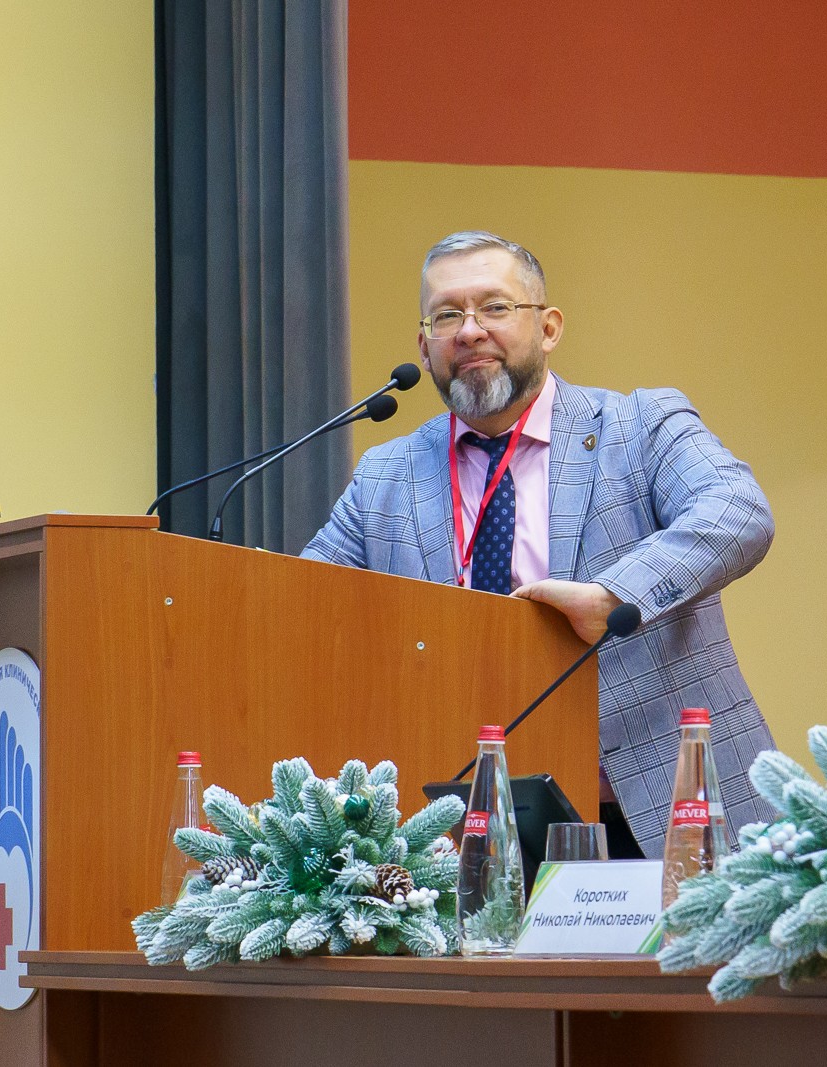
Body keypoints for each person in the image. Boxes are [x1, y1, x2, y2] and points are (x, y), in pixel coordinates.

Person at [301, 231, 777, 858]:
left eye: (495, 307)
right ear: (424, 346)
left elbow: (738, 511)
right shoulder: (385, 476)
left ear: (548, 328)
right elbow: (306, 602)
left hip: (657, 808)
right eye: (447, 315)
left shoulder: (640, 426)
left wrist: (615, 596)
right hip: (467, 826)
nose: (470, 331)